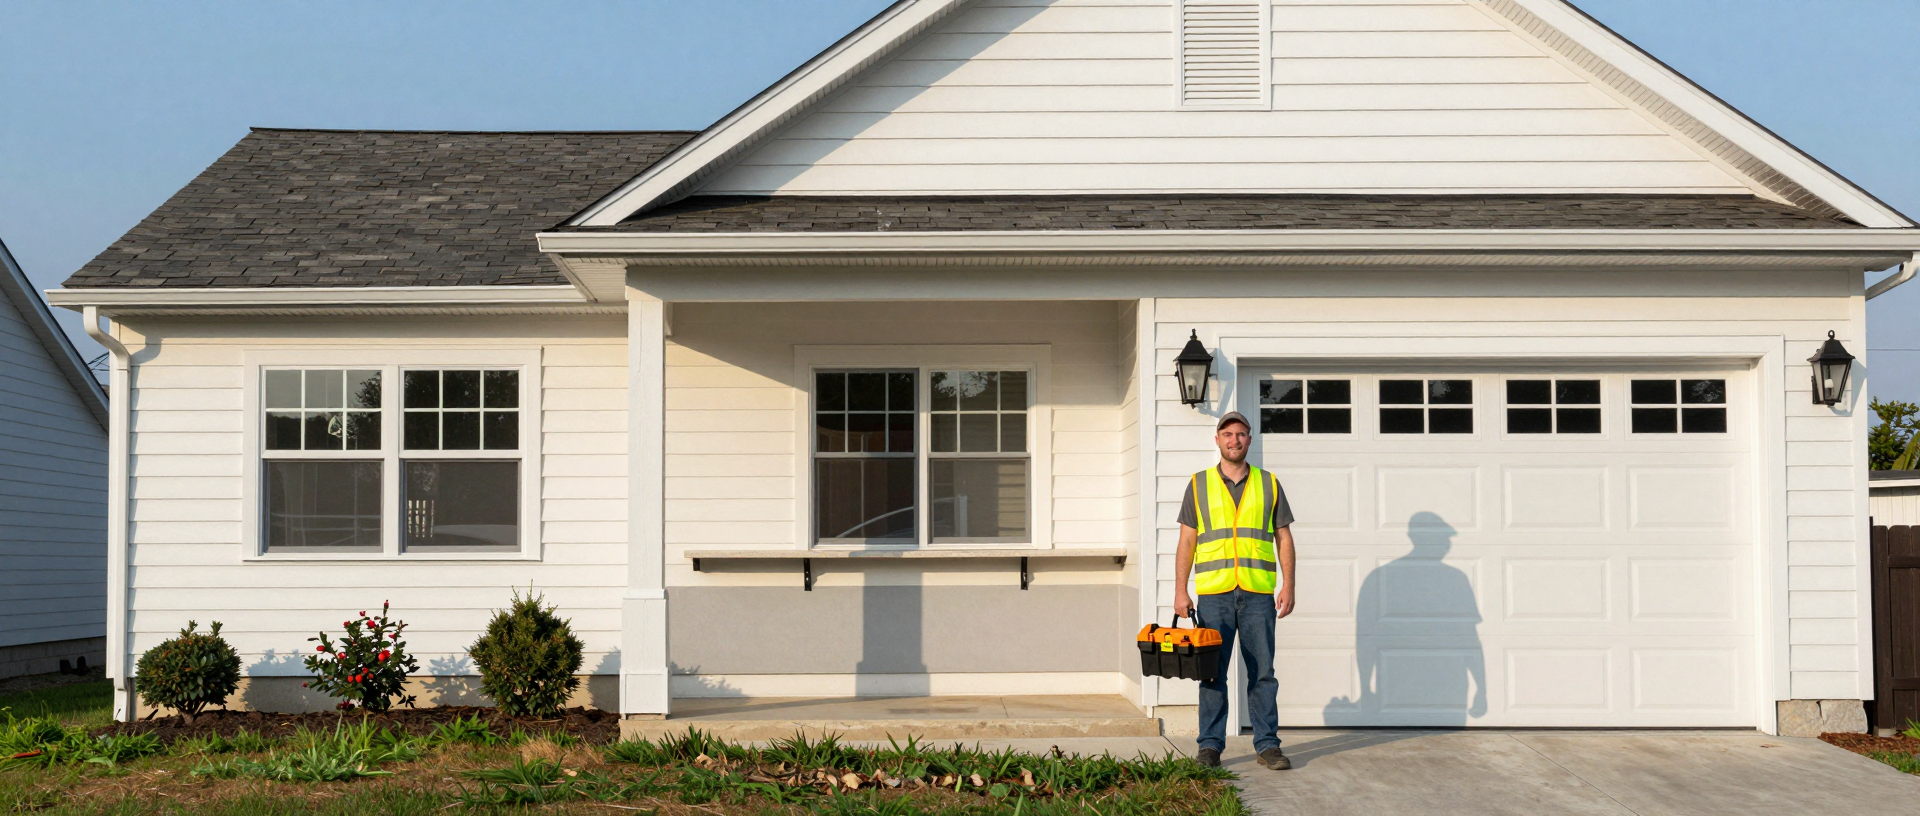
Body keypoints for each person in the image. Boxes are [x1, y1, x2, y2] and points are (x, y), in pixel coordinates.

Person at [1173, 411, 1296, 770]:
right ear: (1217, 440)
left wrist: (1289, 583)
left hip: (1259, 594)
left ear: (1249, 440)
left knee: (1263, 673)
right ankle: (1209, 747)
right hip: (1214, 595)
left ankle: (1267, 745)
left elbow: (1283, 537)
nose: (1234, 440)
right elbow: (1187, 541)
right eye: (1227, 434)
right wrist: (1181, 590)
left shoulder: (1269, 484)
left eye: (1241, 434)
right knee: (1212, 673)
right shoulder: (1198, 485)